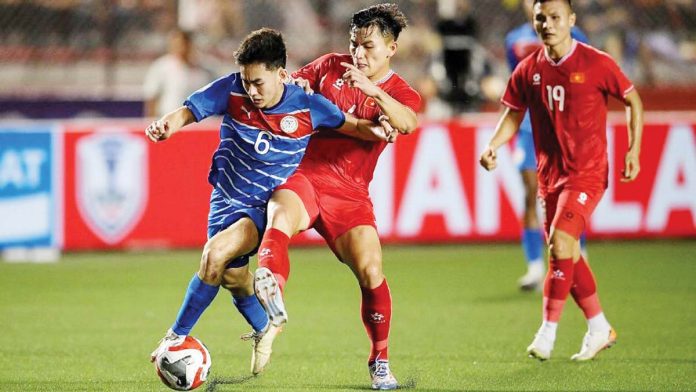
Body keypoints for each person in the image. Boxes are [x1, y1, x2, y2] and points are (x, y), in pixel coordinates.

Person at [146, 28, 393, 376]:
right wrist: (166, 125)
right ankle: (266, 325)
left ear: (281, 74)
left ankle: (174, 338)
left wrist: (385, 126)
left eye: (259, 83)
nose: (252, 91)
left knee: (214, 256)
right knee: (231, 277)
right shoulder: (232, 89)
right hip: (224, 200)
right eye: (247, 82)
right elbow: (188, 111)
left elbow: (353, 126)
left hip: (262, 205)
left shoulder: (307, 106)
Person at [231, 4, 420, 390]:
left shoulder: (400, 92)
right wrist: (296, 89)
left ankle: (379, 361)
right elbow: (294, 87)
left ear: (391, 49)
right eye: (354, 44)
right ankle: (272, 295)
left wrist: (372, 92)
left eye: (368, 46)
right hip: (305, 173)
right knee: (281, 216)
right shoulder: (329, 66)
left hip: (351, 193)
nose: (358, 54)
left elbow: (406, 123)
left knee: (371, 272)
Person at [479, 0, 643, 361]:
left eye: (555, 17)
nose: (548, 24)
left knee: (560, 240)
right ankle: (599, 326)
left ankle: (547, 333)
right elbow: (512, 113)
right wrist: (493, 145)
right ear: (534, 21)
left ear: (571, 19)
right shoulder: (528, 68)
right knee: (563, 249)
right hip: (550, 175)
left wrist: (633, 150)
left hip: (587, 173)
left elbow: (632, 100)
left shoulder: (595, 61)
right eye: (542, 18)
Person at [505, 0, 589, 291]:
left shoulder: (576, 37)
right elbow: (515, 82)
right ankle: (534, 269)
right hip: (529, 127)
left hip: (565, 128)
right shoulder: (514, 39)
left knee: (569, 195)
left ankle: (579, 259)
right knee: (531, 193)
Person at [143, 29, 213, 118]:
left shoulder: (206, 69)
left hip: (199, 125)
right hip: (171, 124)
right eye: (177, 44)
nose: (180, 48)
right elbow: (152, 97)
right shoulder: (161, 67)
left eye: (183, 44)